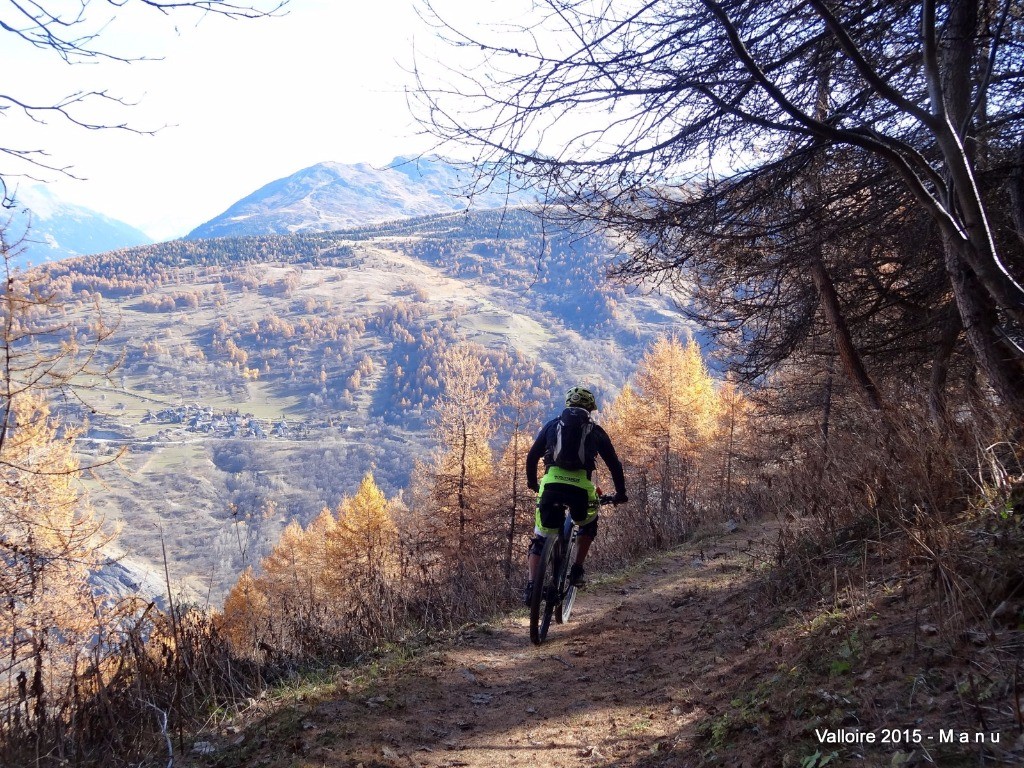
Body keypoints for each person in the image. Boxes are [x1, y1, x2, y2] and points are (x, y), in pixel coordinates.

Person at [523, 385, 627, 604]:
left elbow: (532, 457)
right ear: (590, 409)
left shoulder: (552, 426)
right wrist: (620, 493)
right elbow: (615, 466)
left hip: (550, 487)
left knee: (540, 539)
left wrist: (533, 483)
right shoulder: (596, 431)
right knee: (587, 524)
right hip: (581, 490)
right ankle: (577, 569)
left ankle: (532, 586)